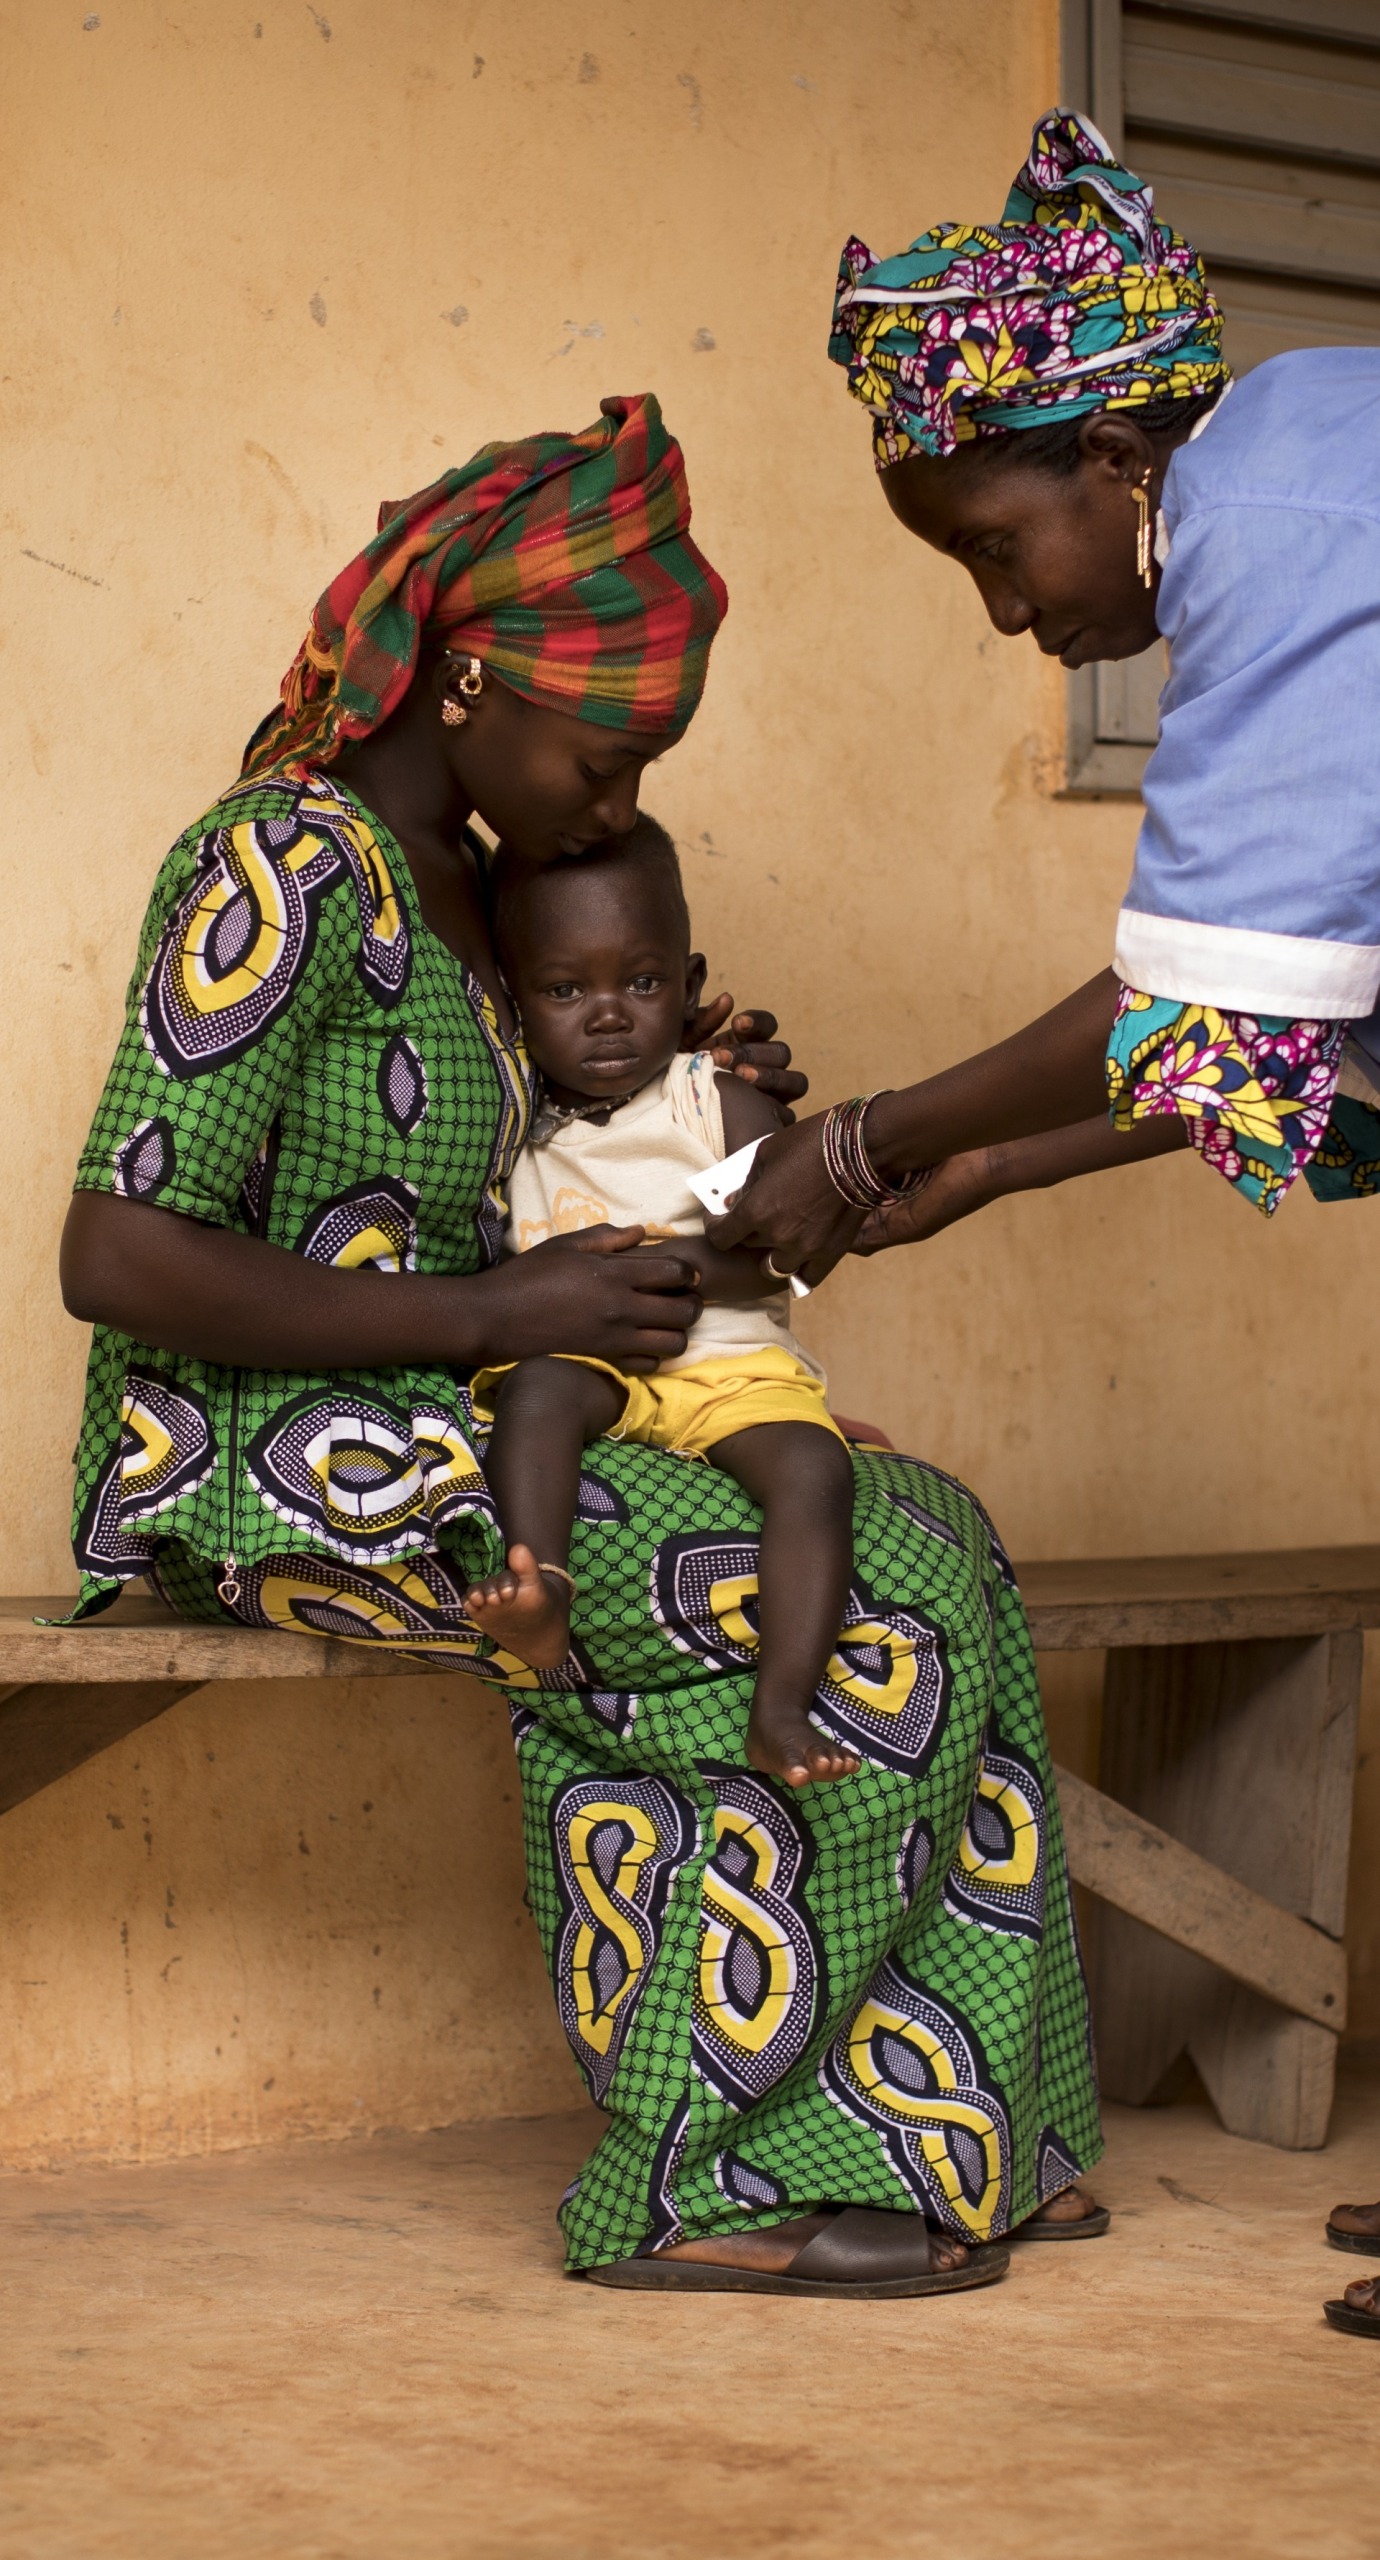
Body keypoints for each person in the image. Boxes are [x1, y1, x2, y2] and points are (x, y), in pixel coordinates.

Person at [59, 391, 1102, 2294]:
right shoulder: (276, 868)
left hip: (491, 1402)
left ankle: (974, 2136)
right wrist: (497, 1314)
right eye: (609, 757)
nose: (619, 803)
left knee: (935, 1533)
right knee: (796, 1607)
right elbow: (111, 1252)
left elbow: (535, 1198)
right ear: (466, 683)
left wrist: (699, 1120)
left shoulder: (484, 893)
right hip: (275, 1454)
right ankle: (711, 2189)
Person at [709, 112, 1380, 2329]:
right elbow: (1267, 1044)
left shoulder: (1286, 501)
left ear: (1109, 450)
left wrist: (874, 1139)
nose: (1015, 610)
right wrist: (985, 1163)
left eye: (1001, 543)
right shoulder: (1292, 493)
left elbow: (1193, 1005)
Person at [462, 815, 861, 1790]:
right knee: (538, 1394)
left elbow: (781, 1251)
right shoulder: (512, 1118)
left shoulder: (715, 1100)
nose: (606, 1014)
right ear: (515, 1000)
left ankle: (780, 1709)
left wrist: (653, 1275)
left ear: (687, 988)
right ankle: (541, 1588)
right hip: (591, 1367)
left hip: (728, 1365)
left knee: (814, 1467)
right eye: (564, 989)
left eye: (639, 983)